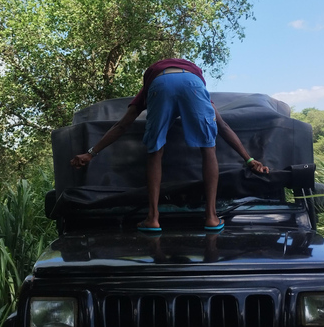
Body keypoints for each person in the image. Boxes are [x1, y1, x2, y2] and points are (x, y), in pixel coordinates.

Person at [71, 58, 269, 232]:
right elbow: (223, 126)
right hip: (193, 83)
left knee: (155, 150)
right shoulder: (195, 79)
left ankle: (153, 218)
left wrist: (91, 153)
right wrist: (249, 159)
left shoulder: (149, 84)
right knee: (209, 147)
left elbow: (122, 125)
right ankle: (211, 217)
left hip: (160, 84)